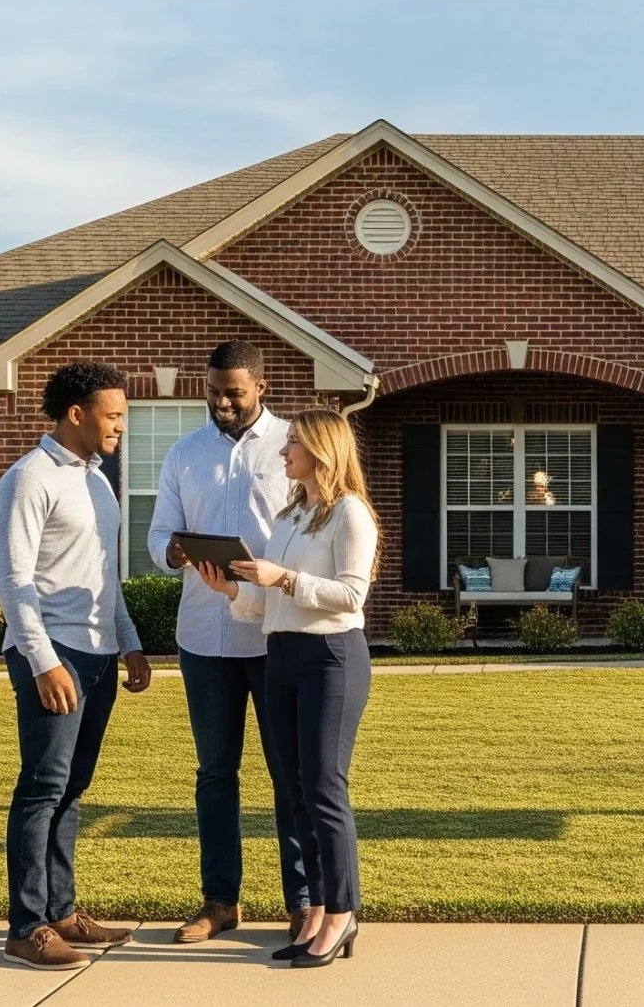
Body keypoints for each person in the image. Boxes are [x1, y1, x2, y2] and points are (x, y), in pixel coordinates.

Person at [192, 407, 376, 968]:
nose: (282, 451)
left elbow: (351, 597)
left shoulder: (351, 515)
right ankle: (317, 907)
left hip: (330, 658)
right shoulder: (292, 514)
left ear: (322, 449)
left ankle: (343, 913)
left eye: (292, 442)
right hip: (282, 656)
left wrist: (284, 577)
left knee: (323, 787)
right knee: (294, 790)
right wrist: (230, 589)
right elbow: (268, 604)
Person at [0, 360, 154, 972]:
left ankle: (62, 912)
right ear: (76, 414)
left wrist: (129, 641)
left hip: (96, 654)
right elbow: (13, 579)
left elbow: (104, 576)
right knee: (41, 787)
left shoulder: (98, 481)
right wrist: (41, 660)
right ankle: (26, 926)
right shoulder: (28, 478)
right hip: (51, 653)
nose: (121, 426)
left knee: (72, 787)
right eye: (113, 415)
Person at [143, 340, 299, 946]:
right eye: (213, 392)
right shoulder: (185, 452)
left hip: (276, 631)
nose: (221, 403)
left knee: (290, 774)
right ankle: (220, 901)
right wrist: (172, 552)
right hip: (205, 637)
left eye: (232, 392)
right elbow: (159, 533)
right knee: (215, 772)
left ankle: (302, 902)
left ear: (260, 386)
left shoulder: (293, 446)